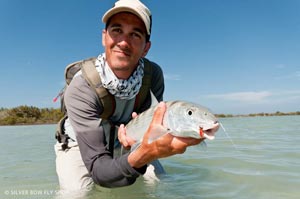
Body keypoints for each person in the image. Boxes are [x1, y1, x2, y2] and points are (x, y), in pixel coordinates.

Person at [54, 0, 203, 191]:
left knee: (162, 182)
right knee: (77, 192)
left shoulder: (153, 75)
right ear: (104, 37)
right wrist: (140, 157)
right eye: (116, 30)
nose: (124, 42)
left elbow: (151, 120)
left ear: (146, 48)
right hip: (81, 142)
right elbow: (99, 171)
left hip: (126, 136)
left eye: (135, 34)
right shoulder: (81, 86)